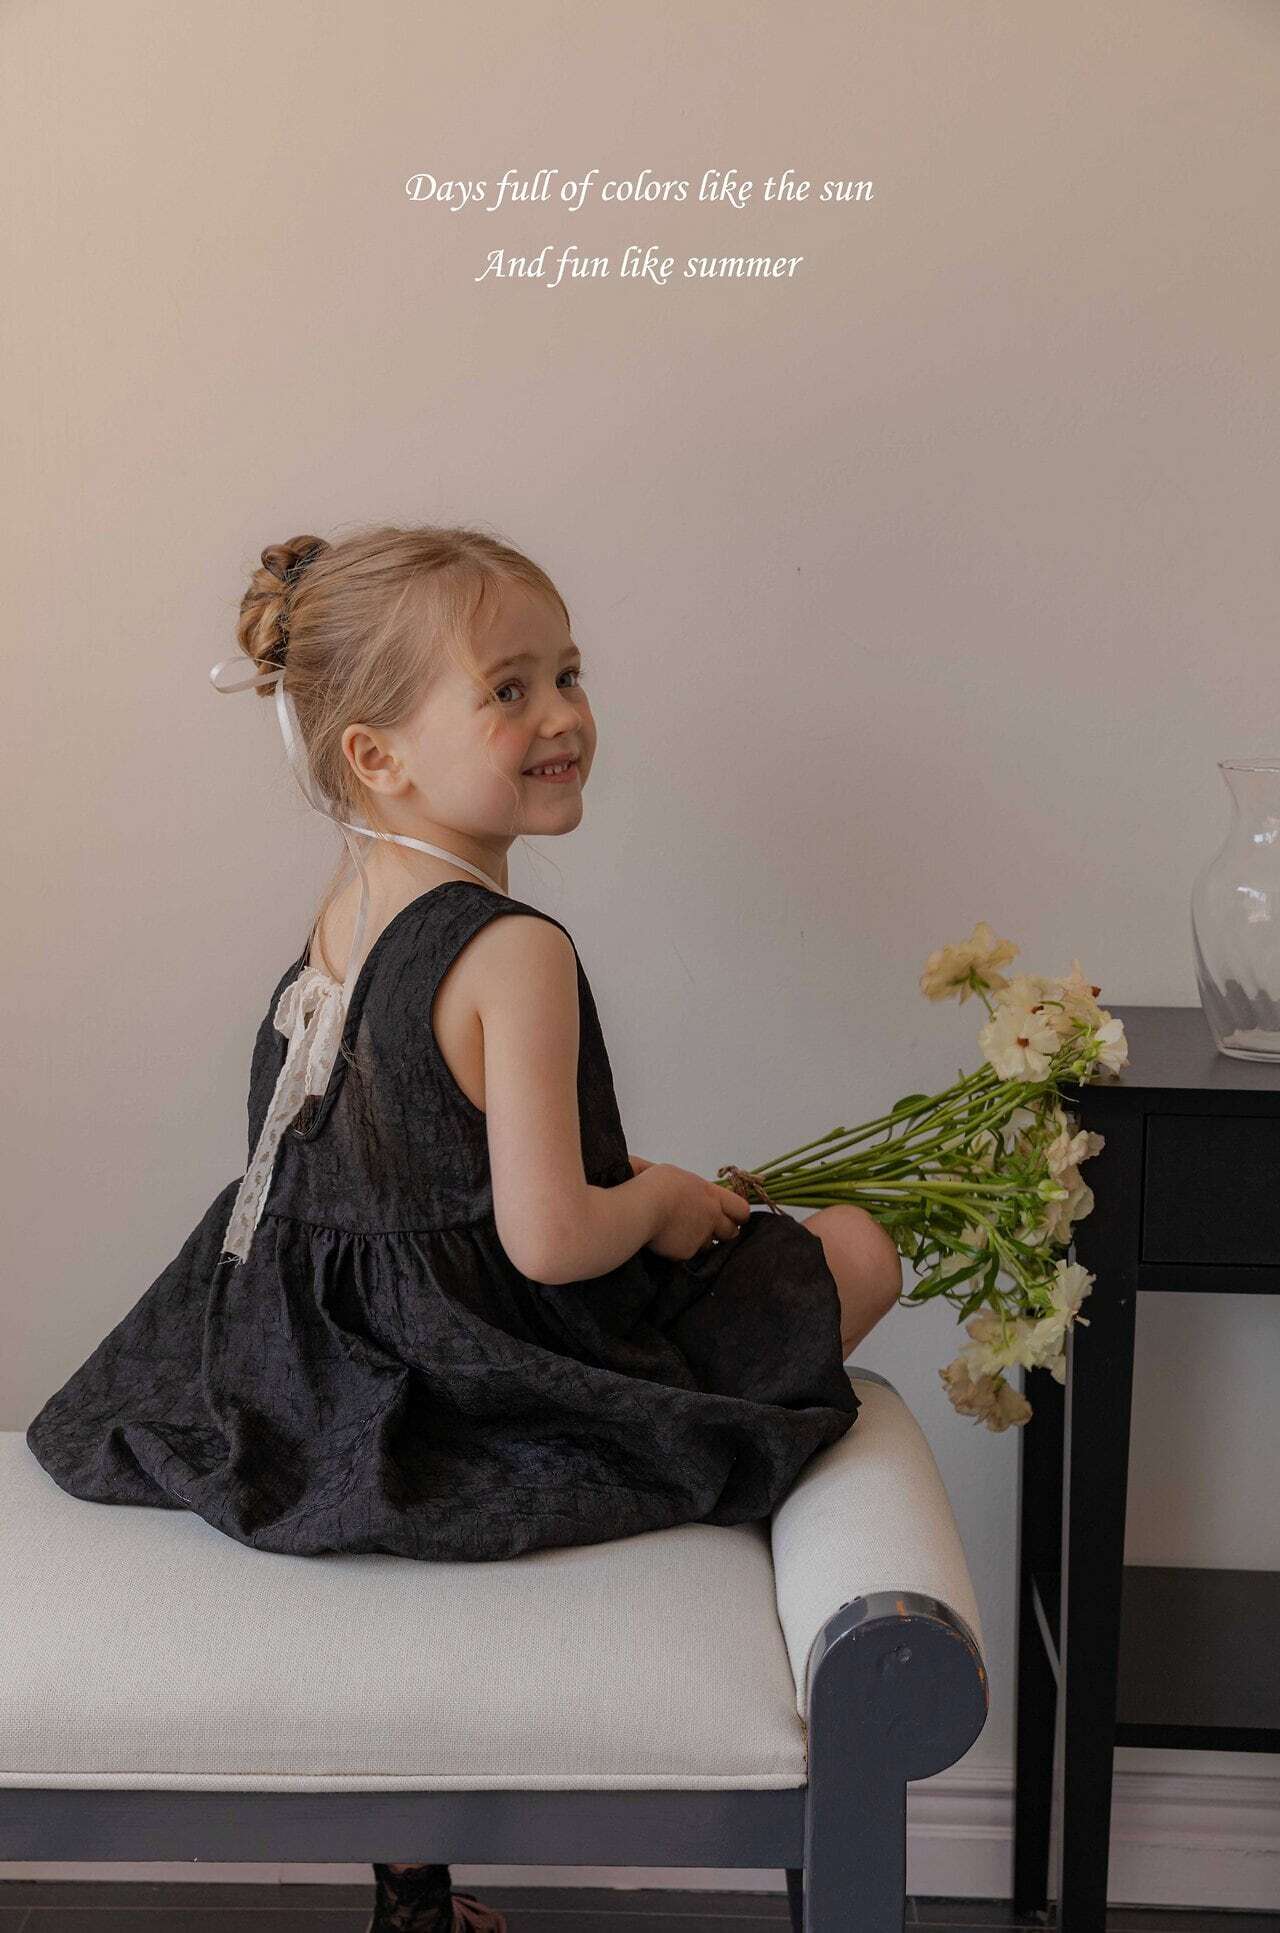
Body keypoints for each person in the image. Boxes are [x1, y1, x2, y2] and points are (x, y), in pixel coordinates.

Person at [25, 523, 904, 1933]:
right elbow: (550, 1243)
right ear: (379, 755)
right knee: (854, 1248)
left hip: (302, 1362)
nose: (562, 716)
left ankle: (415, 1889)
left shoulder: (347, 909)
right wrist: (661, 1202)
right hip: (468, 1364)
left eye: (568, 673)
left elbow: (396, 1172)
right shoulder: (514, 949)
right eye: (509, 689)